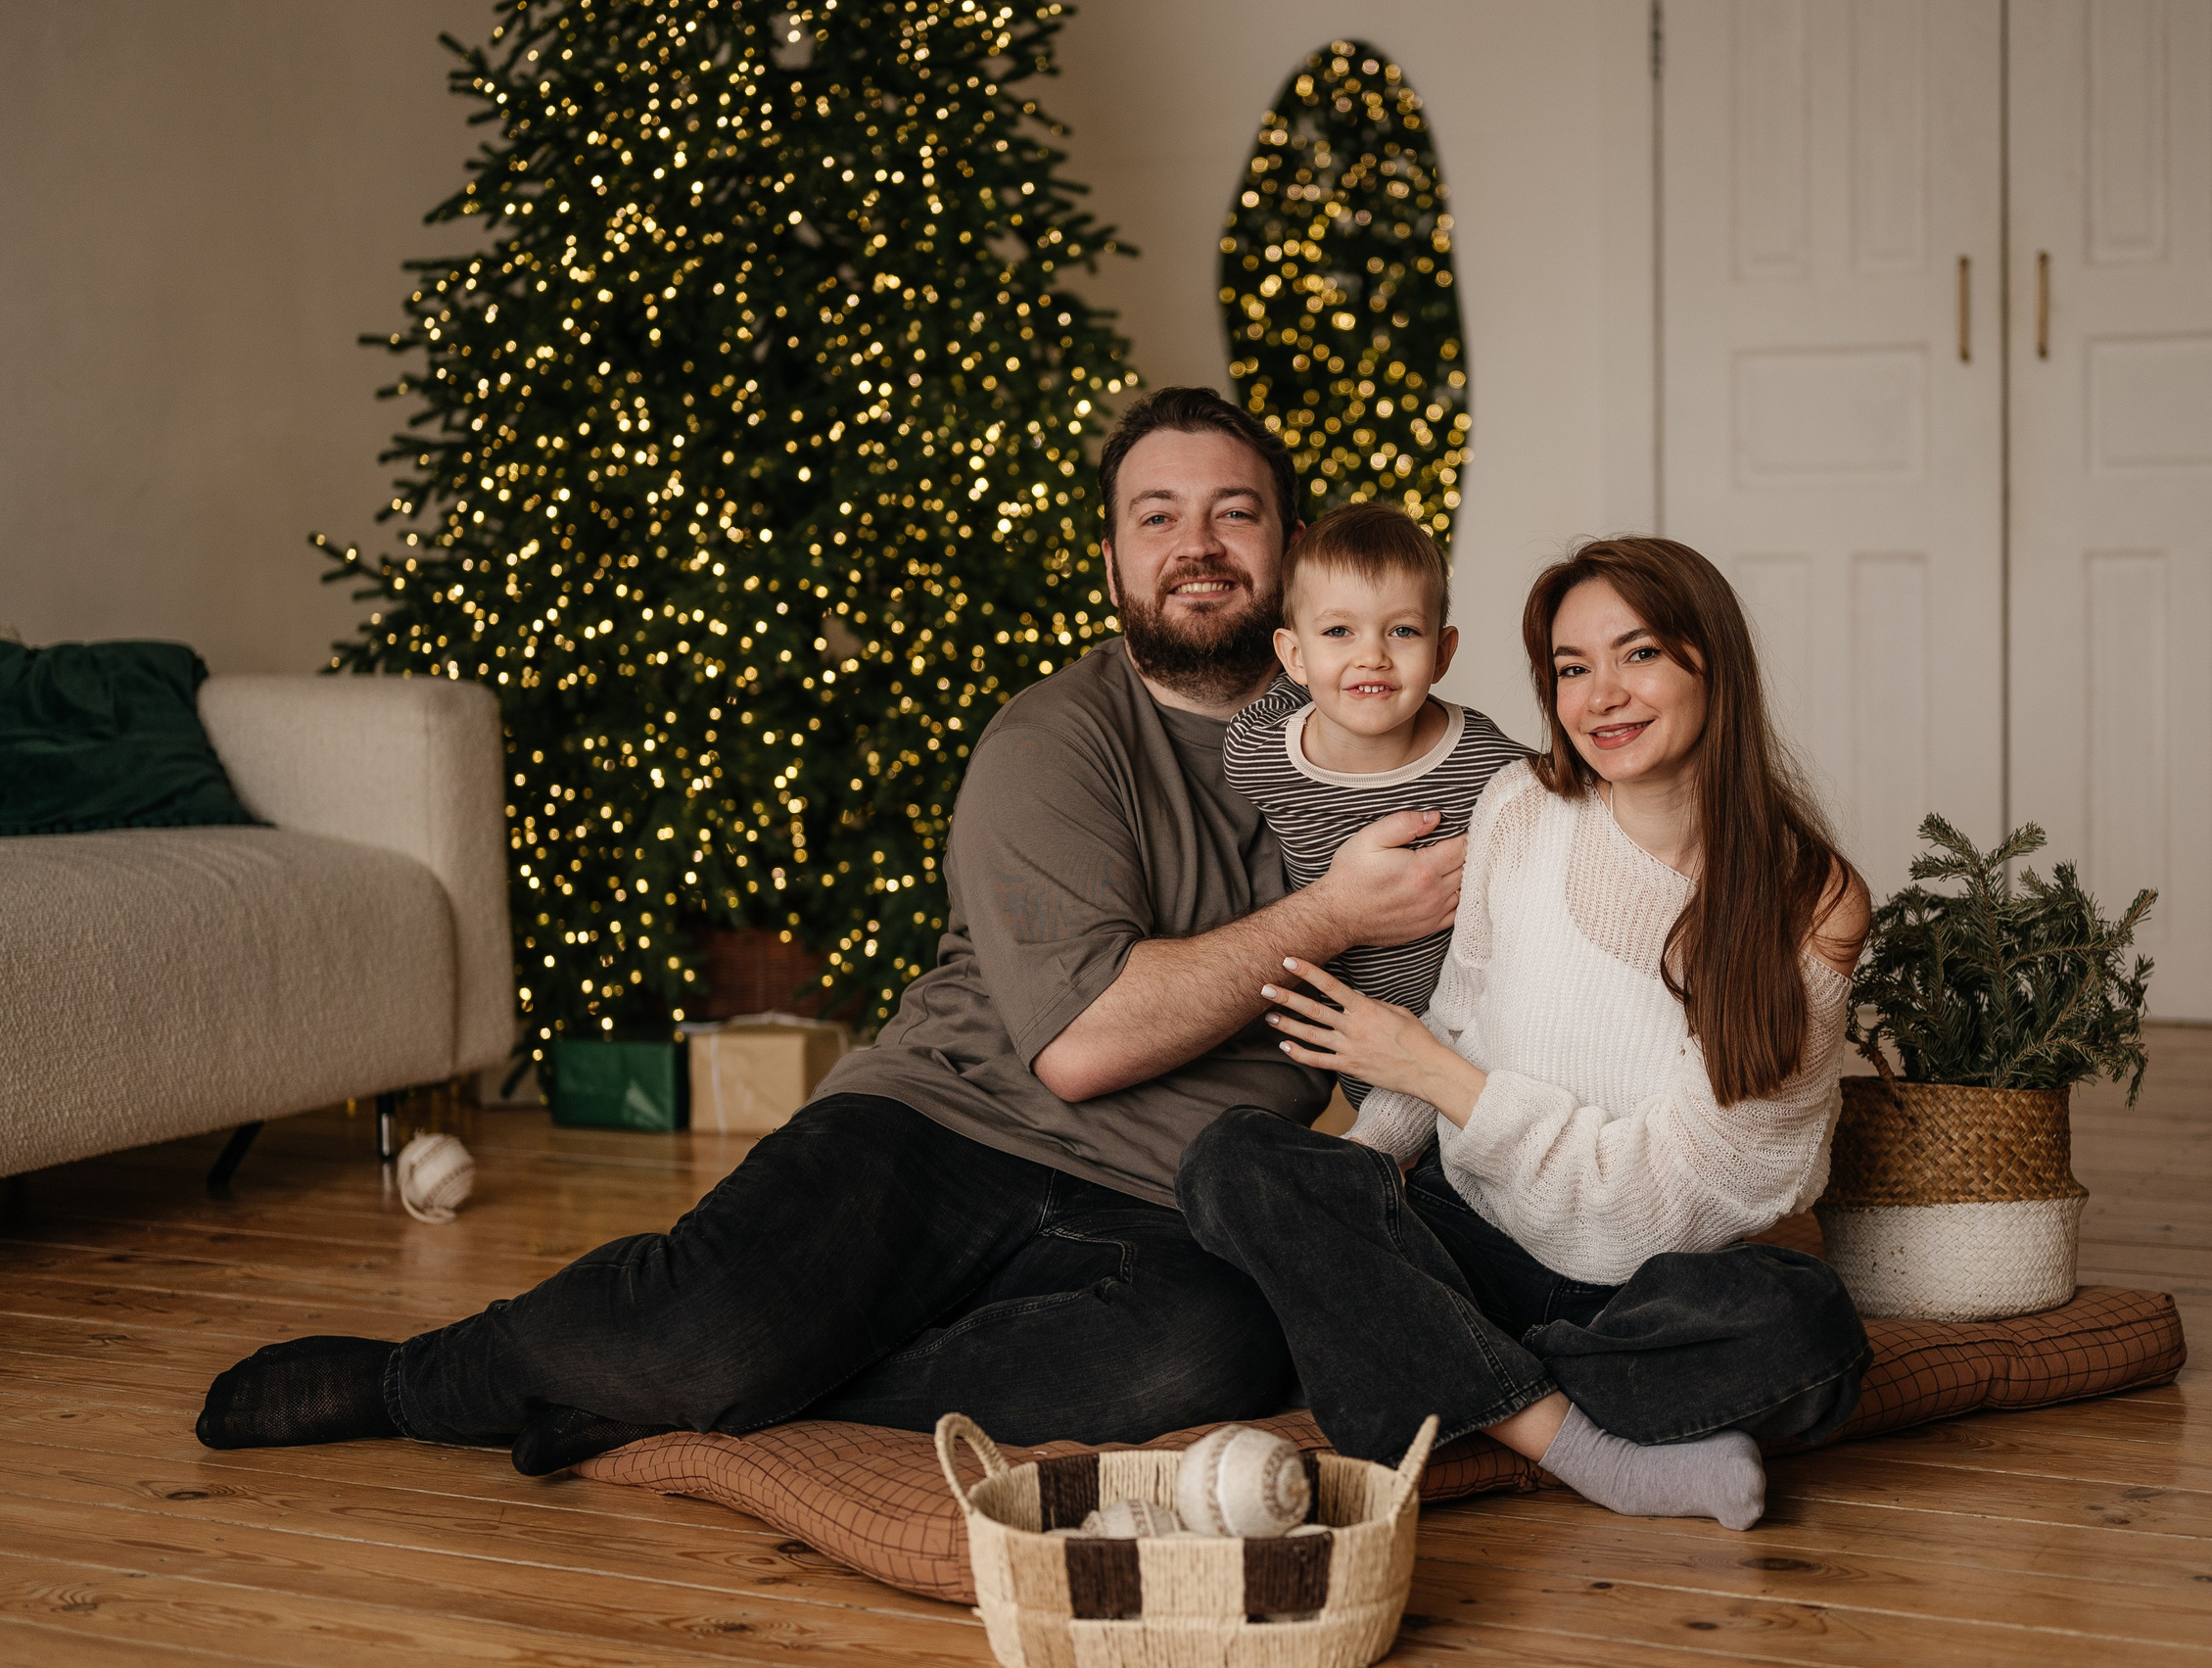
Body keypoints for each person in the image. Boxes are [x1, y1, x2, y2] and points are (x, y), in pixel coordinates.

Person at [193, 387, 1467, 1472]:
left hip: (1172, 1196)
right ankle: (429, 1375)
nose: (1198, 544)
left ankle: (691, 1405)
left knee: (1209, 1354)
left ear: (1295, 549)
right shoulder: (1056, 740)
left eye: (1233, 512)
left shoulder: (1421, 765)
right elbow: (1080, 1044)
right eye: (1158, 517)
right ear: (1111, 560)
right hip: (942, 1127)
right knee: (702, 1330)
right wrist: (1335, 909)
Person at [1179, 537, 1875, 1531]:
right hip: (1463, 1230)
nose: (1601, 696)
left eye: (1637, 654)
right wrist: (1347, 1201)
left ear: (1711, 662)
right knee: (1237, 1160)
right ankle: (1585, 1443)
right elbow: (1458, 1016)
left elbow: (1670, 1198)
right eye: (1571, 667)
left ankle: (1435, 1367)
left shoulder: (1809, 900)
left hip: (1637, 1287)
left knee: (1803, 1325)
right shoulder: (1521, 806)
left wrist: (1432, 1077)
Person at [1221, 501, 1530, 1110]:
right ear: (1293, 655)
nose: (1373, 656)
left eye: (1403, 631)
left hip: (1484, 1054)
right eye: (1339, 631)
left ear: (1442, 653)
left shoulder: (1493, 767)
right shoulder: (1256, 750)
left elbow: (1575, 808)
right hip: (1354, 1057)